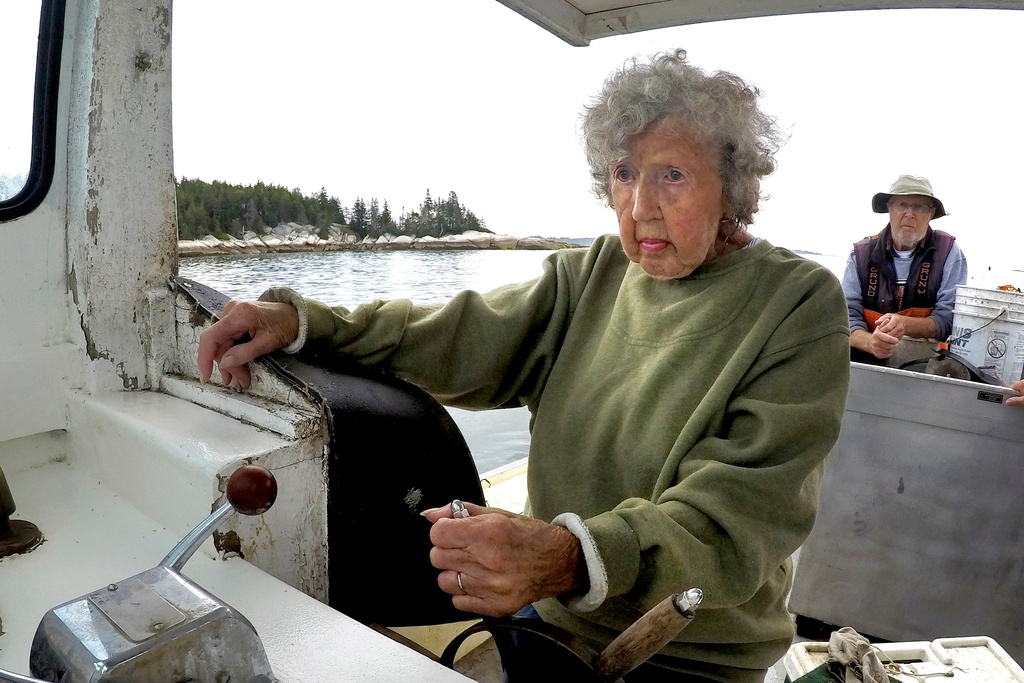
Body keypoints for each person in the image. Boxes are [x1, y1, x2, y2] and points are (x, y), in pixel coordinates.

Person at [197, 50, 850, 683]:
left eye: (672, 175)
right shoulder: (591, 274)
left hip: (691, 652)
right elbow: (448, 334)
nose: (641, 205)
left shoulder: (797, 302)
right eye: (625, 173)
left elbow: (738, 518)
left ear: (731, 184)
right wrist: (305, 322)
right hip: (551, 618)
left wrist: (568, 554)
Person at [841, 175, 968, 362]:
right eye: (902, 204)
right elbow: (844, 316)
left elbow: (949, 320)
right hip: (866, 362)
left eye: (919, 207)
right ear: (889, 209)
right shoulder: (860, 255)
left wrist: (904, 324)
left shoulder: (949, 252)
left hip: (926, 365)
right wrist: (871, 343)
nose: (909, 213)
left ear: (931, 214)